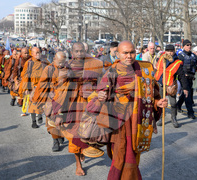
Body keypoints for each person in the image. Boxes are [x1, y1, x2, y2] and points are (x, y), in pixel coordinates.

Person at [87, 41, 167, 179]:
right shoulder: (112, 71)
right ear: (118, 54)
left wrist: (158, 102)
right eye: (125, 53)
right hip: (119, 122)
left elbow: (151, 95)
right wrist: (100, 96)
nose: (129, 56)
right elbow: (97, 95)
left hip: (138, 120)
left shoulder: (144, 70)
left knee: (134, 155)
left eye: (132, 52)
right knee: (121, 155)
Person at [53, 42, 103, 176]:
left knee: (90, 131)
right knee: (74, 134)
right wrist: (58, 112)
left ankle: (85, 149)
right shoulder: (66, 67)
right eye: (77, 51)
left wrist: (94, 92)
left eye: (82, 51)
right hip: (72, 104)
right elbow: (60, 90)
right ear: (72, 52)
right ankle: (78, 164)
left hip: (89, 103)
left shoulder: (95, 64)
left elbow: (103, 83)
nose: (80, 54)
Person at [30, 51, 66, 151]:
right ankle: (55, 141)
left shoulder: (68, 69)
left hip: (65, 100)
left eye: (63, 62)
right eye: (59, 62)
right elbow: (42, 85)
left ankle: (60, 135)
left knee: (63, 119)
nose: (61, 65)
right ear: (54, 59)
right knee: (52, 120)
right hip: (52, 99)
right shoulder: (49, 69)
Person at [155, 44, 188, 128]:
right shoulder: (161, 58)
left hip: (170, 85)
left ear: (174, 51)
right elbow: (156, 70)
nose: (170, 53)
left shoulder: (177, 62)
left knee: (173, 103)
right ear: (165, 51)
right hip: (160, 84)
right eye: (168, 51)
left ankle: (173, 118)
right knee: (161, 103)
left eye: (171, 51)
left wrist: (185, 88)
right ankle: (160, 118)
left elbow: (181, 76)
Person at [20, 47, 50, 126]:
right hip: (33, 87)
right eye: (36, 53)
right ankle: (34, 122)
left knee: (42, 103)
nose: (38, 54)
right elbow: (25, 75)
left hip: (43, 87)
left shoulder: (45, 61)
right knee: (32, 105)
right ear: (32, 54)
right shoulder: (29, 63)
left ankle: (40, 115)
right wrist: (26, 88)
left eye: (39, 52)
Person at [177, 40, 197, 119]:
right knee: (188, 94)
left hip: (190, 77)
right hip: (183, 77)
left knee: (185, 93)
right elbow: (178, 67)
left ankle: (178, 105)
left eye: (190, 45)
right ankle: (190, 112)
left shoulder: (193, 55)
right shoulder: (180, 55)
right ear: (183, 46)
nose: (189, 46)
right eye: (187, 45)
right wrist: (182, 74)